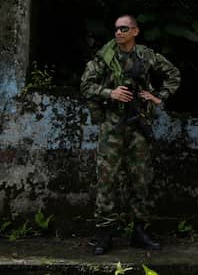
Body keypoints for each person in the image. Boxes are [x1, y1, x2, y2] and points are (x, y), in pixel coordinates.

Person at [80, 14, 181, 255]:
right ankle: (104, 233)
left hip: (138, 126)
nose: (118, 33)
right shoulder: (105, 57)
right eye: (116, 29)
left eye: (124, 29)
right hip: (112, 126)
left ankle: (140, 231)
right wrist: (109, 93)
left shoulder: (146, 56)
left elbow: (173, 74)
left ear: (135, 31)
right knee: (107, 180)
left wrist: (159, 97)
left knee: (141, 180)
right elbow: (85, 85)